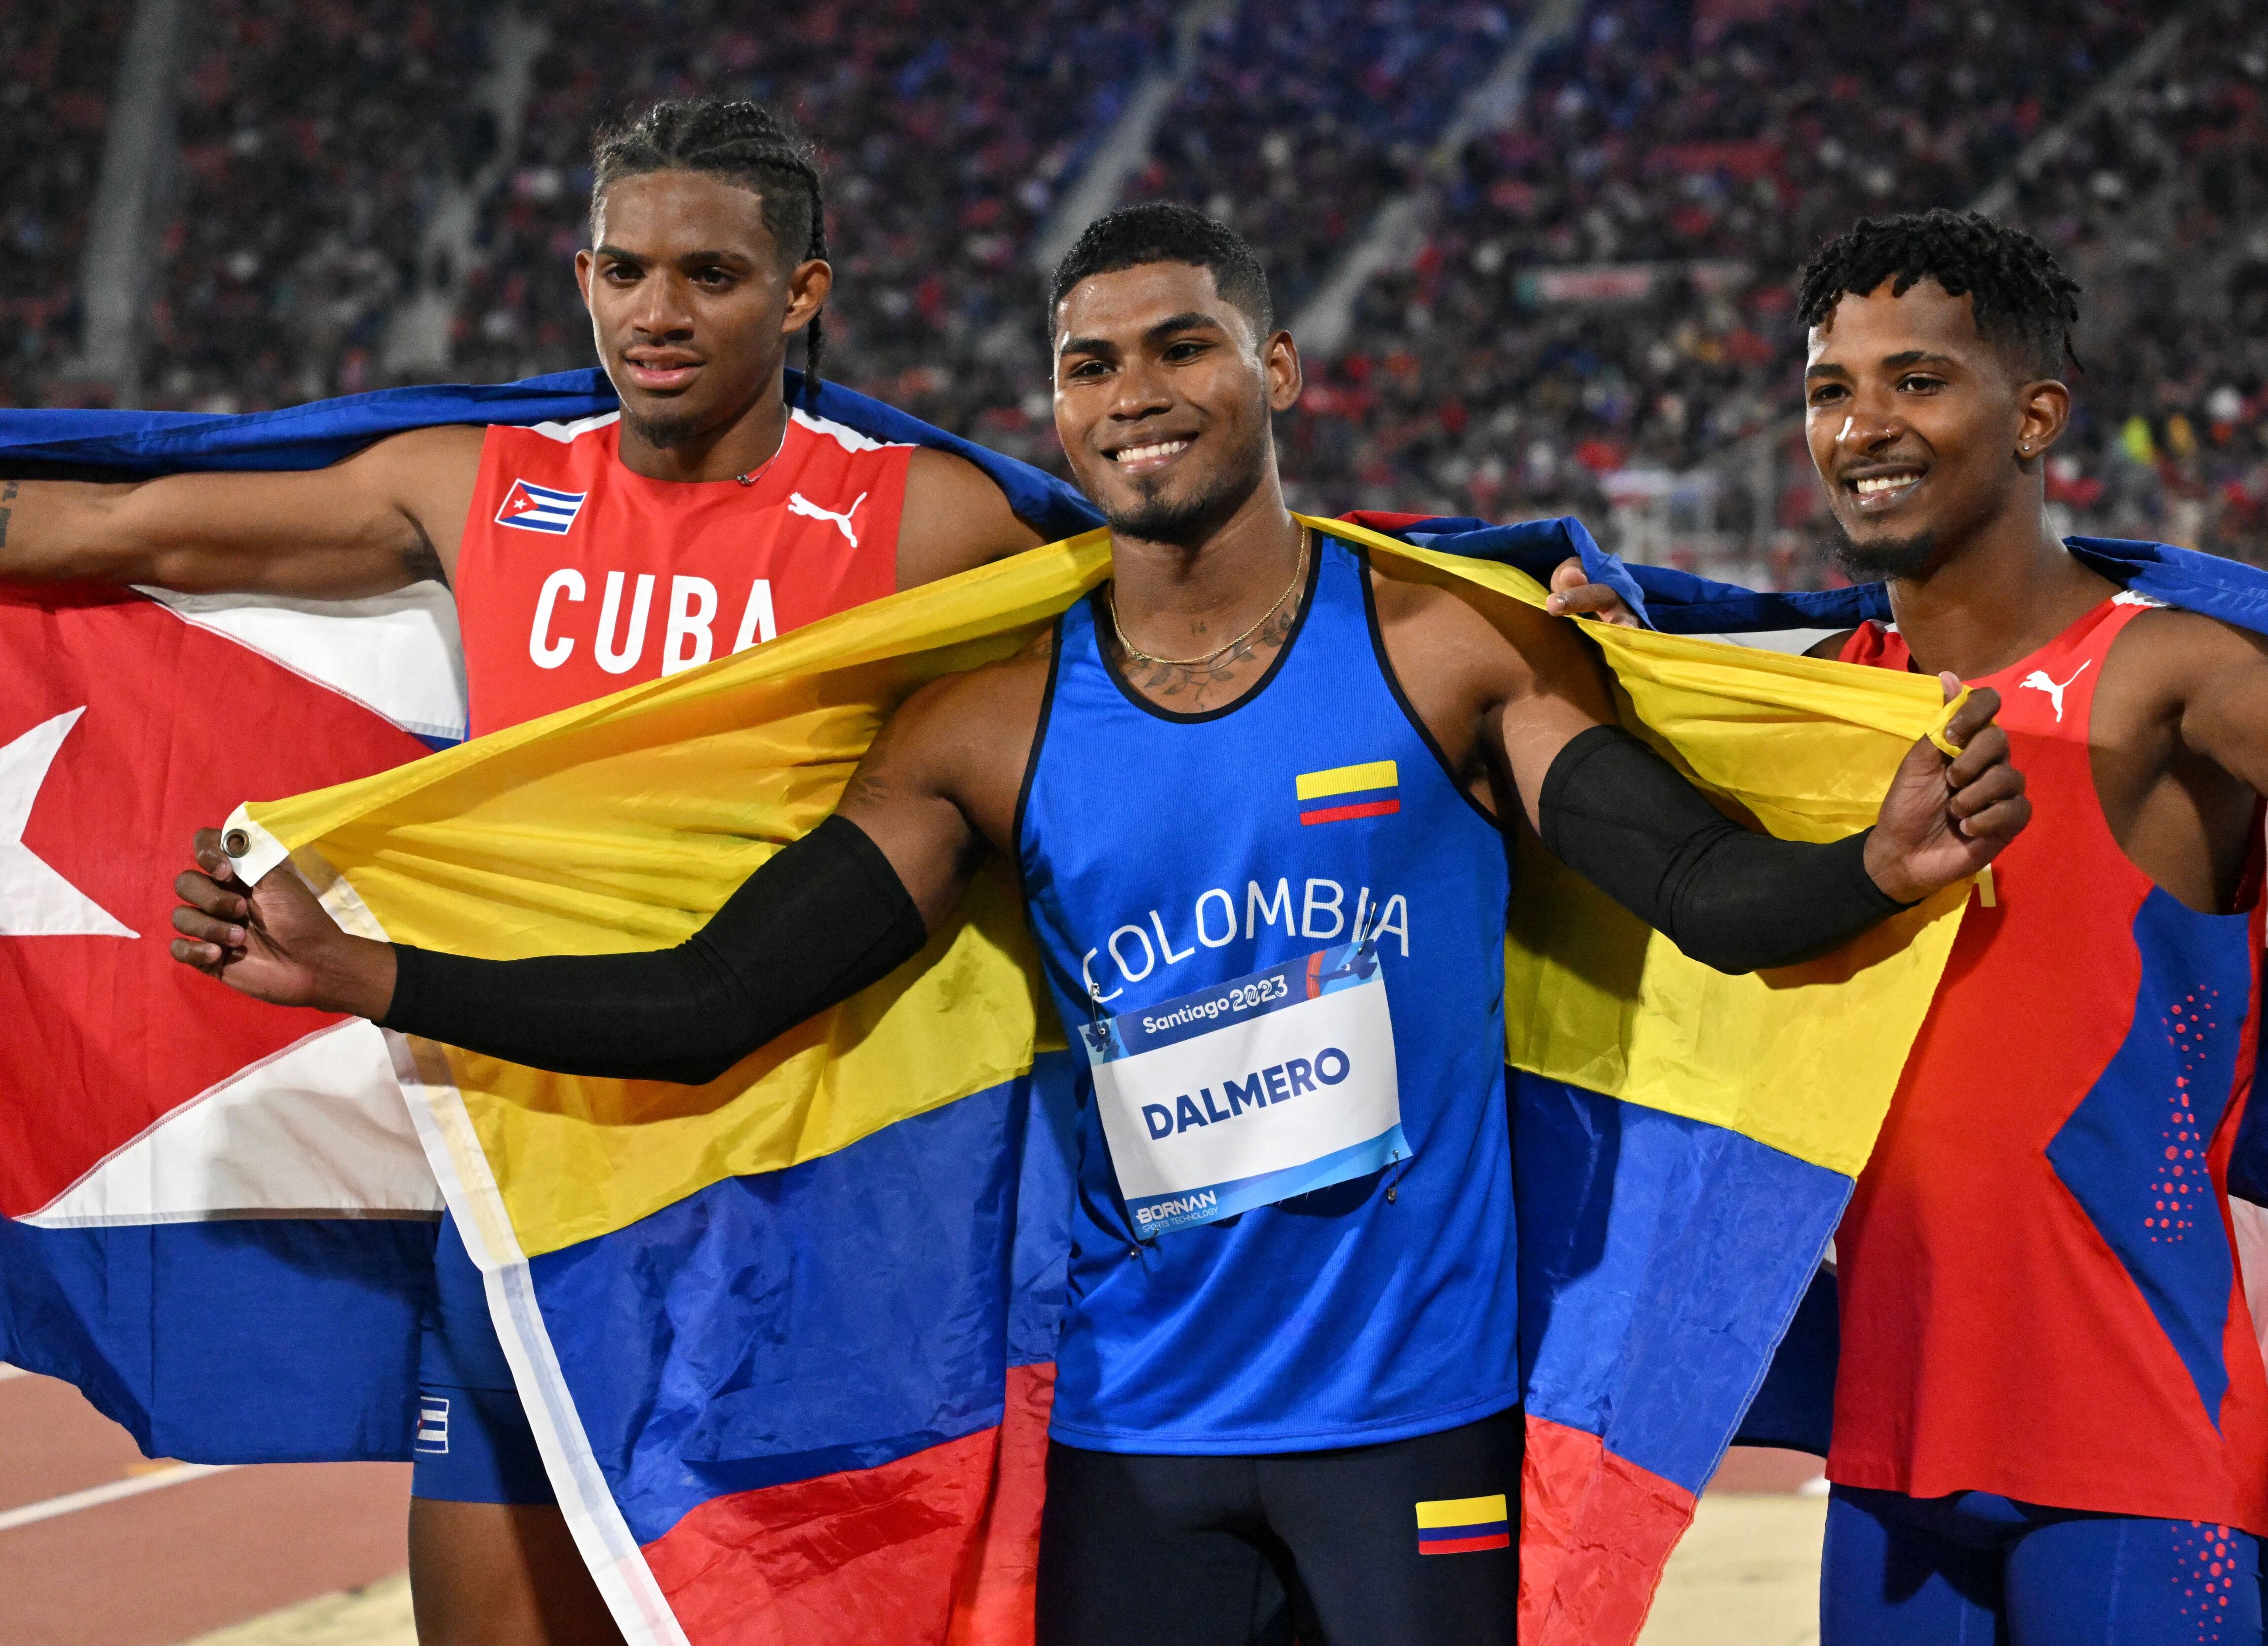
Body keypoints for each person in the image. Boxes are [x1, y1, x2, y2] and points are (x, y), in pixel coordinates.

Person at [168, 203, 2030, 1646]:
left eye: (1181, 346)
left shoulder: (1444, 648)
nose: (1134, 391)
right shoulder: (983, 731)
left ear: (1278, 369)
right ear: (1053, 409)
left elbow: (1701, 895)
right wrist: (366, 971)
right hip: (1140, 1446)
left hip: (1417, 1430)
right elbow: (708, 1002)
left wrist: (1873, 867)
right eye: (1088, 366)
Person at [5, 98, 1050, 1646]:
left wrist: (1515, 593)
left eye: (709, 275)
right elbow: (114, 523)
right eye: (624, 272)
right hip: (521, 1182)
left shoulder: (922, 525)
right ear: (579, 276)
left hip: (778, 1200)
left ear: (805, 294)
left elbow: (1198, 635)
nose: (658, 313)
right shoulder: (476, 487)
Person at [1549, 208, 2268, 1646]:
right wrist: (1595, 647)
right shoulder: (1816, 701)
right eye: (1828, 389)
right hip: (1892, 1468)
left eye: (1917, 381)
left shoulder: (2152, 680)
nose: (1863, 426)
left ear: (2037, 414)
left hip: (2135, 1467)